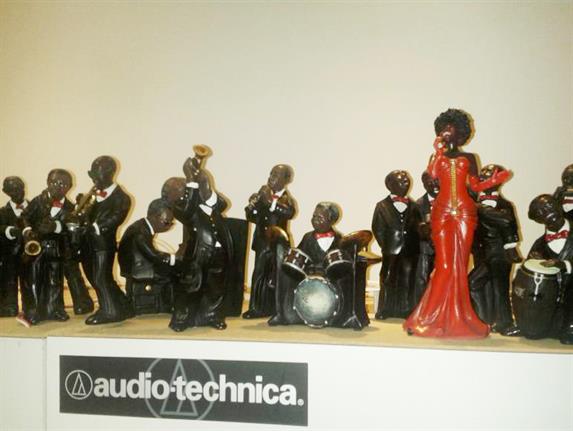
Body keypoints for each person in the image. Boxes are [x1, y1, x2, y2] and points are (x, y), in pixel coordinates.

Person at [404, 109, 510, 338]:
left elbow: (475, 186)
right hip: (441, 213)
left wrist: (493, 181)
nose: (445, 130)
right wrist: (437, 152)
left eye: (450, 127)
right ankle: (428, 317)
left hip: (464, 213)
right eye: (443, 127)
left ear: (460, 131)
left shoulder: (470, 158)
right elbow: (432, 176)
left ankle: (457, 318)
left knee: (459, 265)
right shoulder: (436, 157)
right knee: (444, 265)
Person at [166, 159, 243, 332]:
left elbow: (222, 204)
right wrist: (191, 180)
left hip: (219, 250)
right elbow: (188, 210)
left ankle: (211, 315)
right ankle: (182, 319)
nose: (185, 189)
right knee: (192, 286)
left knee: (216, 286)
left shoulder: (208, 203)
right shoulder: (181, 208)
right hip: (198, 252)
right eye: (180, 188)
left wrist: (205, 184)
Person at [468, 164, 521, 336]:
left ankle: (505, 323)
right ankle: (487, 319)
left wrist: (481, 209)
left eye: (488, 173)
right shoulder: (475, 202)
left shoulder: (504, 205)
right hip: (482, 253)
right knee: (484, 286)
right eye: (483, 172)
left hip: (498, 254)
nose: (483, 176)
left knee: (499, 288)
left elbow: (507, 222)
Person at [81, 156, 132, 325]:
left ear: (111, 173)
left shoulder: (122, 198)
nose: (94, 179)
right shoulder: (93, 195)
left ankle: (109, 311)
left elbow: (115, 219)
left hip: (103, 245)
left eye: (97, 174)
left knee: (101, 277)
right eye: (92, 175)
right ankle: (123, 305)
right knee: (94, 276)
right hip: (88, 243)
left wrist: (95, 227)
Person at [20, 169, 74, 324]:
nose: (58, 186)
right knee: (34, 279)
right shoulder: (37, 201)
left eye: (63, 184)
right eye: (54, 182)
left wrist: (56, 227)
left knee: (54, 280)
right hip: (36, 248)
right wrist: (27, 230)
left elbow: (72, 228)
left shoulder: (70, 207)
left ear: (70, 187)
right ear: (47, 183)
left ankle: (54, 309)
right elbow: (24, 217)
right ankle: (33, 311)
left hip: (56, 249)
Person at [243, 164, 297, 319]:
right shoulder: (263, 195)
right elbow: (251, 217)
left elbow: (289, 213)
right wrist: (253, 206)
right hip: (262, 240)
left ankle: (277, 309)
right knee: (259, 273)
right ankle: (255, 307)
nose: (271, 178)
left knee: (277, 275)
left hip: (278, 242)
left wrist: (270, 202)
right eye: (271, 174)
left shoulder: (286, 199)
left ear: (286, 179)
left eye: (276, 175)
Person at [372, 170, 421, 319]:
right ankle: (385, 309)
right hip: (391, 249)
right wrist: (386, 245)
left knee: (408, 278)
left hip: (410, 250)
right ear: (389, 185)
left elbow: (417, 227)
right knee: (388, 278)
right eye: (401, 181)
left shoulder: (414, 206)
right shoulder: (382, 206)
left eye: (407, 181)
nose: (405, 184)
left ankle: (405, 309)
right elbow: (378, 228)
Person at [527, 194, 573, 345]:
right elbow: (528, 275)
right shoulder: (539, 244)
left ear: (559, 205)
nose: (548, 211)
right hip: (551, 301)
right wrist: (535, 263)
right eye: (541, 212)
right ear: (538, 220)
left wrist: (564, 265)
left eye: (550, 205)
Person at [118, 199, 177, 315]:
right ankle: (169, 305)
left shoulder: (142, 226)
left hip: (139, 265)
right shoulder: (140, 232)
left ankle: (167, 303)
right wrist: (174, 259)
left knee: (172, 267)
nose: (168, 226)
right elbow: (152, 255)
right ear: (154, 217)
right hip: (138, 269)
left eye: (171, 223)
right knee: (176, 272)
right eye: (166, 222)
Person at [0, 177, 27, 317]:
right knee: (9, 281)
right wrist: (8, 230)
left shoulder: (35, 207)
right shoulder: (2, 212)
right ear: (5, 192)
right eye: (13, 190)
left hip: (31, 254)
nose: (18, 192)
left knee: (29, 281)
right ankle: (9, 306)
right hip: (10, 254)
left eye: (20, 188)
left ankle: (30, 305)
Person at [412, 171, 439, 307]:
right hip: (426, 249)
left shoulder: (450, 202)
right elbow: (416, 228)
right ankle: (421, 308)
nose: (435, 185)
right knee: (422, 279)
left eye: (437, 181)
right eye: (430, 182)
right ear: (424, 184)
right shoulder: (418, 205)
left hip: (445, 249)